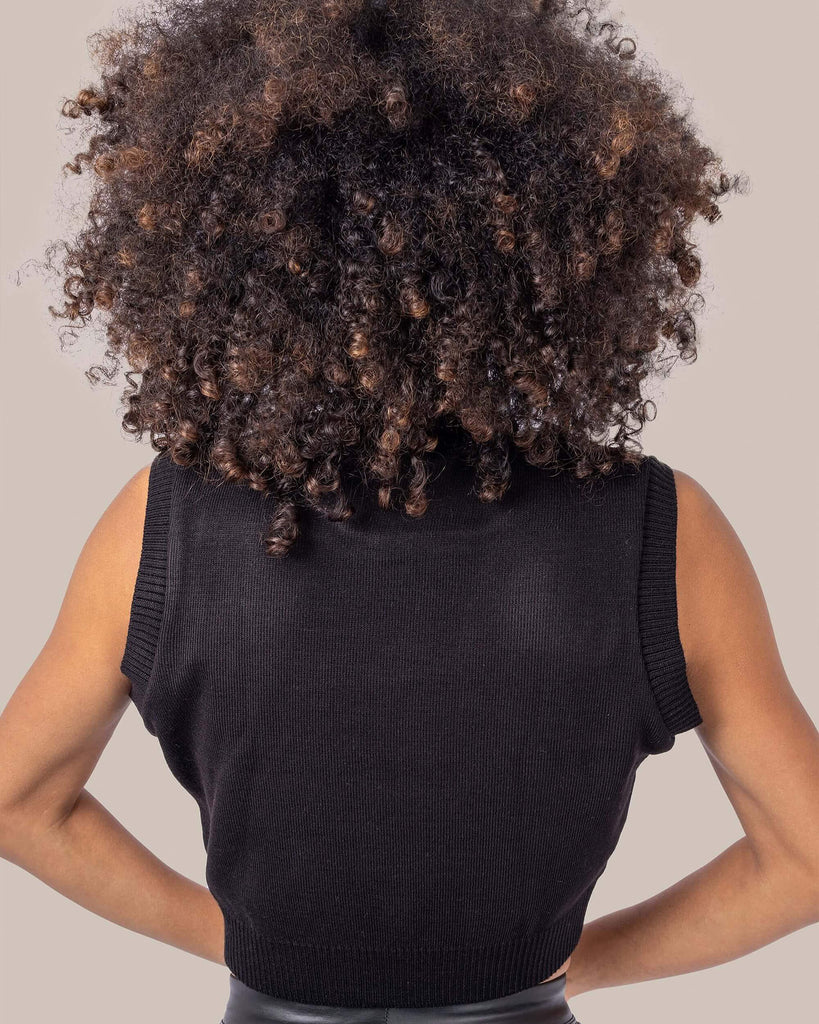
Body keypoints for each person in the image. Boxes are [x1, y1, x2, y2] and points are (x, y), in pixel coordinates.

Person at [1, 1, 818, 1022]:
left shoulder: (164, 521)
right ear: (554, 254)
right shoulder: (663, 530)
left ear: (242, 259)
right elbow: (808, 857)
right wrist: (562, 962)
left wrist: (248, 943)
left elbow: (19, 799)